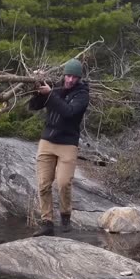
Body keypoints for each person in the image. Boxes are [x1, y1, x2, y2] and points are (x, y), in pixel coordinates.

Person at [28, 58, 89, 236]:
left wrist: (49, 94)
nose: (70, 80)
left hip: (68, 144)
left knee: (63, 183)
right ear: (64, 75)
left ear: (79, 78)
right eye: (68, 76)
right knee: (43, 184)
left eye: (74, 77)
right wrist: (37, 88)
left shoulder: (82, 94)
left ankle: (65, 216)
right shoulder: (54, 87)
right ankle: (47, 223)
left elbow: (69, 112)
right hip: (47, 141)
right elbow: (33, 106)